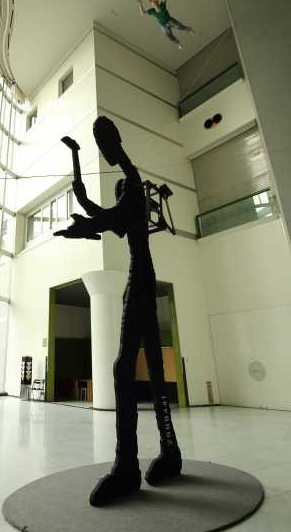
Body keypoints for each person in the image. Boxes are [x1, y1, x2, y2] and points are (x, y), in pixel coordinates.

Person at [54, 116, 182, 507]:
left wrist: (110, 145)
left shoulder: (134, 188)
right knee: (153, 368)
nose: (124, 190)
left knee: (123, 368)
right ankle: (170, 451)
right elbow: (92, 207)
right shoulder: (127, 209)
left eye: (126, 190)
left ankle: (128, 466)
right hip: (140, 280)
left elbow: (120, 187)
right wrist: (76, 158)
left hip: (140, 281)